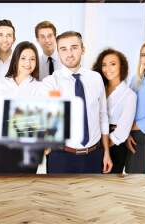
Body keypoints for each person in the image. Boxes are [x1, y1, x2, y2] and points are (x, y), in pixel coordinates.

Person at [42, 31, 112, 174]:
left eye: (74, 47)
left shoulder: (96, 78)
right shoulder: (51, 82)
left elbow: (103, 115)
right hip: (61, 156)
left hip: (94, 154)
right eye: (63, 49)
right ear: (58, 52)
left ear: (83, 49)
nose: (69, 53)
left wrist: (106, 152)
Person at [0, 41, 43, 173]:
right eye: (23, 58)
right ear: (16, 59)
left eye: (32, 59)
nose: (28, 63)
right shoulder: (2, 83)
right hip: (1, 146)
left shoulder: (40, 87)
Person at [92, 48, 136, 174]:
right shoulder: (98, 89)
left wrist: (102, 147)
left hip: (114, 147)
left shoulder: (129, 95)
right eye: (104, 65)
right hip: (94, 141)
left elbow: (122, 131)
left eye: (112, 64)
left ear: (121, 66)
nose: (107, 69)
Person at [125, 42, 145, 174]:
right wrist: (127, 134)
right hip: (132, 138)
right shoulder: (135, 80)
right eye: (143, 55)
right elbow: (126, 108)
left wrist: (130, 127)